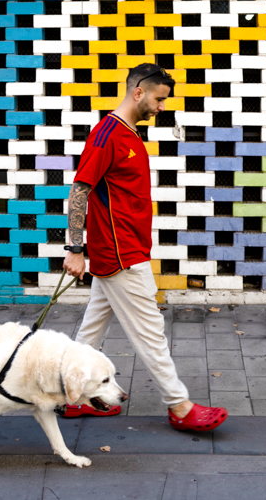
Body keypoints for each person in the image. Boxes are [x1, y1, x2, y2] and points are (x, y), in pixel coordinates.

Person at [58, 63, 228, 432]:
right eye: (159, 99)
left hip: (125, 248)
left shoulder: (129, 132)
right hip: (120, 254)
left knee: (91, 331)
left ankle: (72, 398)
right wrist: (75, 248)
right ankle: (179, 405)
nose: (162, 107)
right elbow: (80, 190)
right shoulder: (106, 136)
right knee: (150, 331)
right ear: (138, 92)